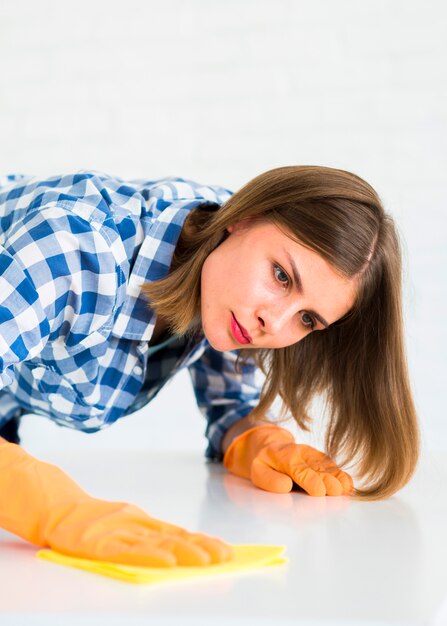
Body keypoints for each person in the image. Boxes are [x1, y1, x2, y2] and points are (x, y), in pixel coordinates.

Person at [0, 166, 419, 568]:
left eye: (307, 319)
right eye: (281, 276)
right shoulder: (71, 249)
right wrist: (54, 507)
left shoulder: (231, 273)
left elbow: (229, 404)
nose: (273, 323)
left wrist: (253, 439)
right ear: (243, 216)